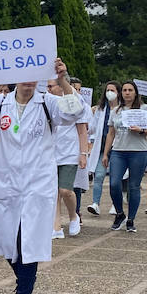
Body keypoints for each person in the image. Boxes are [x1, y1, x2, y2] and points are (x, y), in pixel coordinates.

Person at [0, 63, 84, 294]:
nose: (28, 82)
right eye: (23, 77)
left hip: (37, 183)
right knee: (6, 239)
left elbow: (76, 111)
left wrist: (63, 80)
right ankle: (24, 279)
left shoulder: (48, 103)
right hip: (6, 182)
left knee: (28, 242)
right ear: (14, 78)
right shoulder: (1, 102)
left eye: (34, 77)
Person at [100, 81, 147, 232]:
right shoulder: (116, 111)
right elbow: (111, 134)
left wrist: (141, 130)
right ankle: (120, 213)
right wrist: (106, 154)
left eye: (130, 90)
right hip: (119, 151)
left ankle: (131, 219)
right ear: (121, 93)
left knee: (134, 186)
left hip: (138, 151)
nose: (127, 93)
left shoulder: (145, 109)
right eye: (124, 90)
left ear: (135, 92)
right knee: (114, 183)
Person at [49, 77, 90, 239]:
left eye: (51, 86)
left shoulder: (73, 103)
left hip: (69, 154)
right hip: (50, 155)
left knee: (65, 190)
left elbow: (82, 131)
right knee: (53, 193)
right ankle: (56, 227)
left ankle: (73, 216)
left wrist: (83, 153)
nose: (49, 89)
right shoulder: (47, 103)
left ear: (60, 87)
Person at [85, 81, 121, 216]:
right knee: (99, 175)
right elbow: (92, 127)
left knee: (115, 179)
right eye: (107, 90)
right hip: (102, 148)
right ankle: (95, 203)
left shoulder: (122, 109)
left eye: (112, 90)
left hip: (117, 148)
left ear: (118, 92)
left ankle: (115, 204)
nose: (109, 93)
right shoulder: (100, 109)